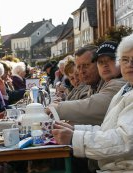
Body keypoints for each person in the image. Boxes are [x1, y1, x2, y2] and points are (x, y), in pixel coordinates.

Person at [52, 33, 133, 173]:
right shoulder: (126, 89)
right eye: (125, 60)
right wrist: (74, 131)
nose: (130, 64)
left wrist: (74, 137)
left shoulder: (119, 86)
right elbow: (107, 130)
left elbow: (125, 141)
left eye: (111, 60)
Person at [47, 43, 126, 125]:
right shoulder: (94, 86)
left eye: (86, 65)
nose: (82, 71)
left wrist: (55, 108)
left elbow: (93, 107)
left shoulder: (119, 82)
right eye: (78, 67)